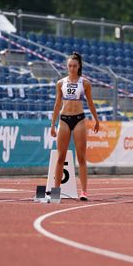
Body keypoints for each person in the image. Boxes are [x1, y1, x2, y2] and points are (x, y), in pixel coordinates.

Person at [50, 52, 100, 201]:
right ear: (67, 67)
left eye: (74, 66)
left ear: (79, 67)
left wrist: (96, 119)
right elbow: (57, 104)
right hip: (64, 119)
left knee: (81, 157)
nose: (72, 68)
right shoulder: (60, 83)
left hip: (79, 120)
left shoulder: (85, 83)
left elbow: (90, 102)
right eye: (70, 66)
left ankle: (84, 191)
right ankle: (55, 191)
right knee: (60, 157)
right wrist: (52, 124)